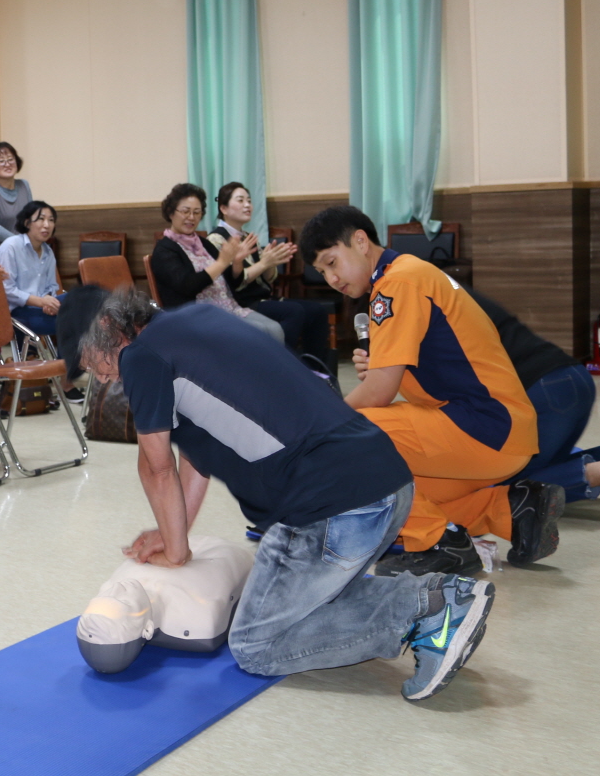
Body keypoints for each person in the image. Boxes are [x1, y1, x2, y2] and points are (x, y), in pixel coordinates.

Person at [81, 291, 493, 703]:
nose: (100, 379)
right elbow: (195, 452)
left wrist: (175, 552)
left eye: (90, 362)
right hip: (387, 485)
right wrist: (175, 534)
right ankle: (439, 598)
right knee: (308, 601)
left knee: (256, 644)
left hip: (333, 509)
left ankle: (431, 606)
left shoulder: (141, 355)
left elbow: (155, 467)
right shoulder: (196, 319)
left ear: (106, 327)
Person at [301, 205, 557, 574]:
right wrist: (381, 367)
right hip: (499, 429)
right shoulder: (409, 273)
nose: (331, 278)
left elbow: (378, 394)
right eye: (323, 272)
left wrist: (320, 423)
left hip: (483, 426)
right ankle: (512, 510)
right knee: (398, 494)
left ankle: (437, 542)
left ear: (360, 241)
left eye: (332, 262)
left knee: (345, 440)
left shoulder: (396, 283)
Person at [471, 290, 600, 528]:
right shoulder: (452, 292)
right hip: (572, 377)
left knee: (493, 490)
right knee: (544, 466)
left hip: (539, 395)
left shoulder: (429, 305)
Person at [207, 182, 331, 374]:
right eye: (240, 200)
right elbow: (233, 282)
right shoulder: (216, 239)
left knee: (317, 311)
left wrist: (271, 261)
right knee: (293, 312)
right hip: (241, 302)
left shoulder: (247, 236)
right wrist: (264, 263)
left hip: (262, 297)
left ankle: (315, 372)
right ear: (223, 208)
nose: (247, 205)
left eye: (249, 200)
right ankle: (285, 370)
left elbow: (267, 279)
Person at [148, 184, 283, 342]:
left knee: (275, 329)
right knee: (258, 333)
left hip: (229, 308)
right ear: (171, 212)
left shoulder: (204, 243)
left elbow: (233, 283)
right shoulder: (165, 250)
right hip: (196, 316)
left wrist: (237, 262)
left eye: (197, 212)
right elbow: (187, 286)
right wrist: (221, 263)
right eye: (185, 211)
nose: (191, 217)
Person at [0, 200, 80, 400]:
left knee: (79, 300)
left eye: (51, 220)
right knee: (73, 321)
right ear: (27, 222)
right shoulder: (11, 247)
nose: (46, 225)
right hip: (15, 313)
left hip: (40, 309)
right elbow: (5, 290)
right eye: (40, 219)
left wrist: (49, 301)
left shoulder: (47, 252)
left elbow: (51, 287)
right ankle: (65, 382)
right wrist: (40, 302)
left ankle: (66, 376)